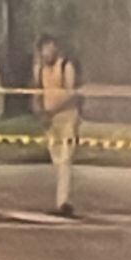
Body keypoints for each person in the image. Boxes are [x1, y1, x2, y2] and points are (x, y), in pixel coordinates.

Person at [34, 35, 81, 218]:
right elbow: (37, 92)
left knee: (65, 160)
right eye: (44, 49)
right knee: (56, 160)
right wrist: (40, 111)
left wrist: (53, 109)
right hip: (50, 121)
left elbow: (71, 93)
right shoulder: (40, 70)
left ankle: (63, 202)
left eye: (50, 48)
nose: (47, 52)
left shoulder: (65, 66)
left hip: (67, 117)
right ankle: (61, 199)